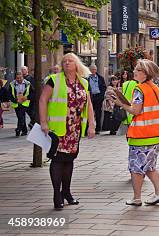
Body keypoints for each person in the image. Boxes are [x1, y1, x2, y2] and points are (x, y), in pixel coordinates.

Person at [39, 53, 96, 209]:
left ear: (77, 64)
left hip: (74, 128)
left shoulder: (84, 82)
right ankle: (57, 195)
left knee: (69, 159)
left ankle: (67, 192)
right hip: (58, 129)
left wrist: (92, 124)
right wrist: (43, 122)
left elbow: (89, 105)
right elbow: (43, 100)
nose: (67, 63)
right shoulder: (54, 80)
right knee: (57, 160)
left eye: (70, 61)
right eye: (64, 61)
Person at [114, 59, 159, 206]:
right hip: (156, 133)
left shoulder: (139, 89)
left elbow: (136, 110)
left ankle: (137, 198)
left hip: (141, 134)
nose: (134, 72)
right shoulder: (155, 88)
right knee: (150, 166)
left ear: (145, 73)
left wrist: (121, 104)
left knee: (136, 168)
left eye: (138, 70)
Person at [8, 71, 33, 136]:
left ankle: (18, 129)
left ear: (23, 77)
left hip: (24, 103)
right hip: (16, 103)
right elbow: (10, 94)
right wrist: (15, 100)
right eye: (17, 78)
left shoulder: (28, 83)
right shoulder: (12, 84)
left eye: (20, 78)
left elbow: (32, 93)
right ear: (15, 78)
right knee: (20, 117)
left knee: (21, 116)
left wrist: (26, 97)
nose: (19, 79)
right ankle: (24, 131)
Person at [87, 65, 106, 134]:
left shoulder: (100, 78)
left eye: (94, 69)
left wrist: (101, 96)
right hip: (90, 97)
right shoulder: (86, 78)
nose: (93, 71)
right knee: (89, 113)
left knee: (98, 113)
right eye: (92, 69)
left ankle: (98, 129)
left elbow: (104, 87)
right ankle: (88, 128)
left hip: (98, 97)